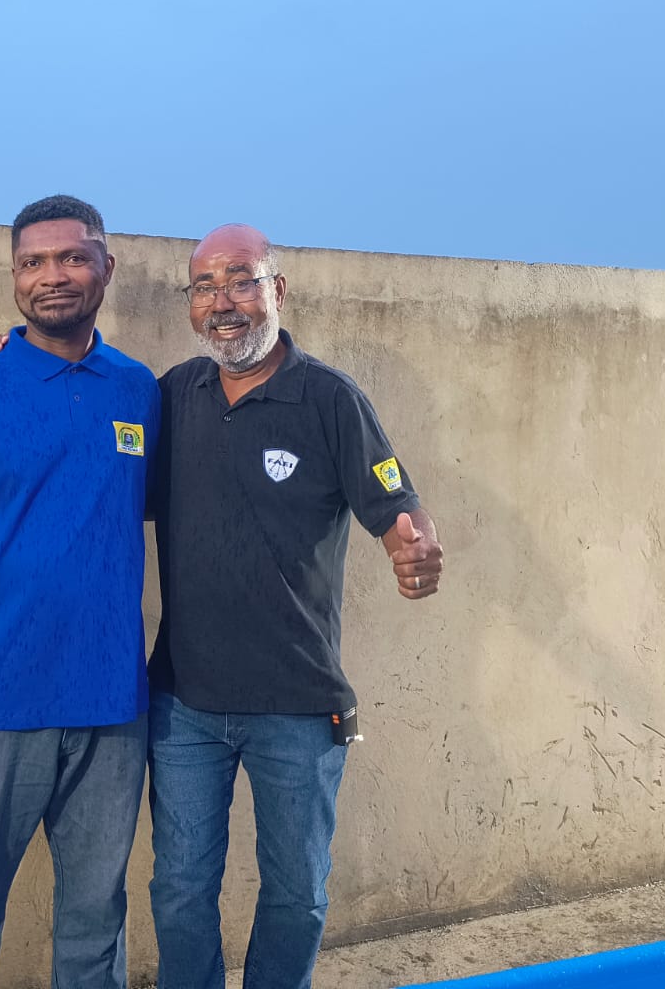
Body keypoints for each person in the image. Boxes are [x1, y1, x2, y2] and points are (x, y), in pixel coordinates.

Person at [146, 223, 443, 989]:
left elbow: (395, 500)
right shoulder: (174, 395)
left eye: (241, 281)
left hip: (300, 709)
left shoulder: (330, 399)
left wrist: (414, 549)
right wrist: (18, 354)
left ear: (276, 290)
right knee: (178, 891)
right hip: (184, 707)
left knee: (297, 896)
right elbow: (93, 442)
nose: (223, 303)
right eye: (205, 286)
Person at [0, 195, 161, 989]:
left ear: (106, 267)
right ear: (14, 277)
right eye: (33, 262)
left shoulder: (140, 393)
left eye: (73, 257)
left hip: (112, 707)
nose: (53, 276)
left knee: (96, 916)